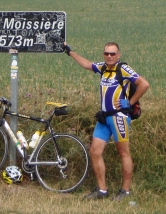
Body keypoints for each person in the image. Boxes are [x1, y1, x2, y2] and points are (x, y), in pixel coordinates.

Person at [64, 41, 149, 201]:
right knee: (95, 151)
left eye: (112, 54)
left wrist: (129, 103)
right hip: (104, 117)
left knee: (123, 153)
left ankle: (125, 191)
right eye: (106, 53)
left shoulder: (122, 68)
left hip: (119, 117)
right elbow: (87, 65)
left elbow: (144, 84)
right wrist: (70, 52)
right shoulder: (103, 67)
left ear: (118, 55)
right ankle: (102, 190)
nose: (109, 56)